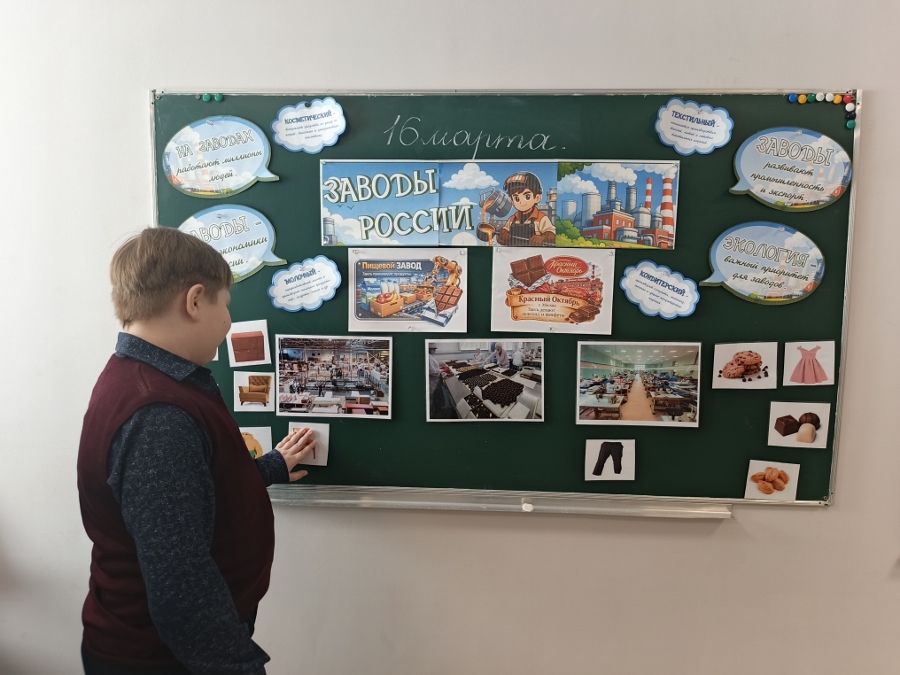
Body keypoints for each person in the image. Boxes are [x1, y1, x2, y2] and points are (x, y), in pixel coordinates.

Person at [77, 227, 317, 675]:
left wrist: (270, 467)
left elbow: (193, 490)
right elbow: (181, 584)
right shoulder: (157, 413)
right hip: (165, 659)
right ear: (194, 301)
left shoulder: (148, 380)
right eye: (225, 304)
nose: (228, 322)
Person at [495, 172, 556, 247]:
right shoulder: (512, 219)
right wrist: (503, 236)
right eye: (516, 198)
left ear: (537, 198)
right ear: (512, 202)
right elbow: (502, 237)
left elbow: (552, 235)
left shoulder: (541, 218)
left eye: (527, 197)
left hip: (534, 253)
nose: (521, 202)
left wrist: (543, 238)